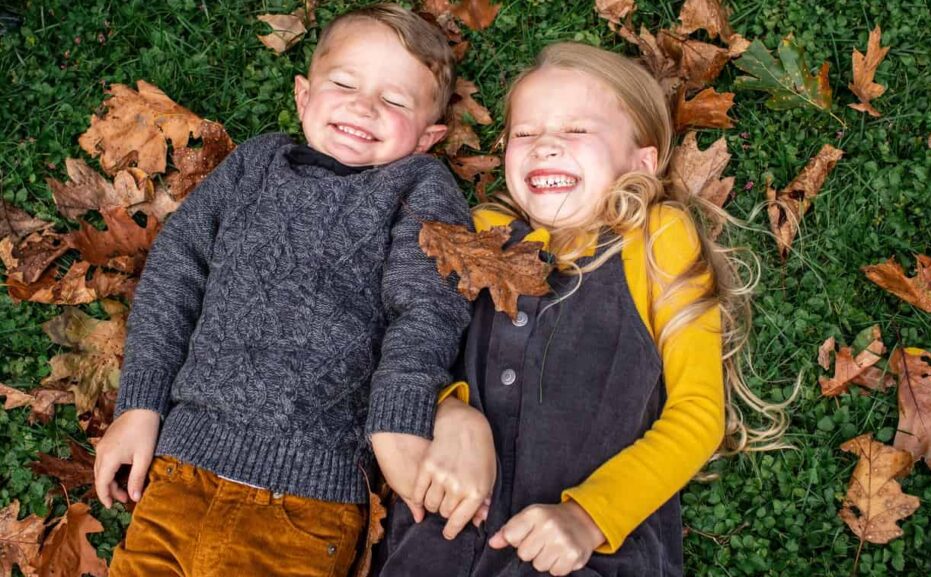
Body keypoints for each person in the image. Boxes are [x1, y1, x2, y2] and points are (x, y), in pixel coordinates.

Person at [374, 42, 793, 577]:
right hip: (436, 540)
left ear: (641, 161)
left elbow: (697, 413)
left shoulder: (654, 239)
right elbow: (409, 340)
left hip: (587, 556)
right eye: (525, 133)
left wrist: (589, 517)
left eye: (576, 130)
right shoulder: (474, 234)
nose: (545, 145)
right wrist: (447, 410)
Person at [93, 5, 473, 576]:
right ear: (303, 95)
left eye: (395, 101)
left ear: (428, 136)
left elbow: (427, 310)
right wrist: (140, 405)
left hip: (305, 502)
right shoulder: (255, 163)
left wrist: (398, 419)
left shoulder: (417, 187)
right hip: (178, 474)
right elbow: (176, 268)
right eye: (344, 84)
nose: (363, 106)